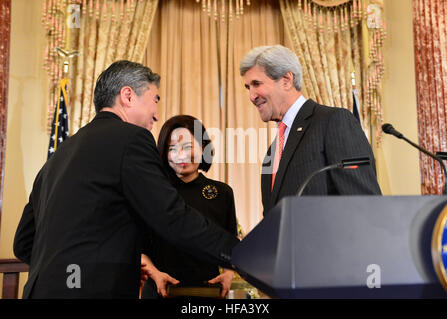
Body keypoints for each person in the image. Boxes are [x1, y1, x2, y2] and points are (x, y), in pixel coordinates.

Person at [13, 60, 239, 299]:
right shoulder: (132, 139)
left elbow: (24, 243)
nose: (157, 114)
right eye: (155, 99)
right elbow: (172, 216)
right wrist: (245, 256)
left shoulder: (61, 153)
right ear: (128, 96)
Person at [240, 45, 382, 215]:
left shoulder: (333, 121)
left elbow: (365, 204)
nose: (252, 96)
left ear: (286, 80)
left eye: (257, 84)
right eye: (248, 87)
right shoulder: (273, 151)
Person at [141, 115, 237, 299]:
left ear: (203, 148)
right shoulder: (151, 192)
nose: (181, 155)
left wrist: (228, 273)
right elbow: (138, 245)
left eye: (188, 147)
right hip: (160, 291)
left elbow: (230, 242)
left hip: (206, 293)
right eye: (172, 148)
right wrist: (154, 273)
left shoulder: (222, 193)